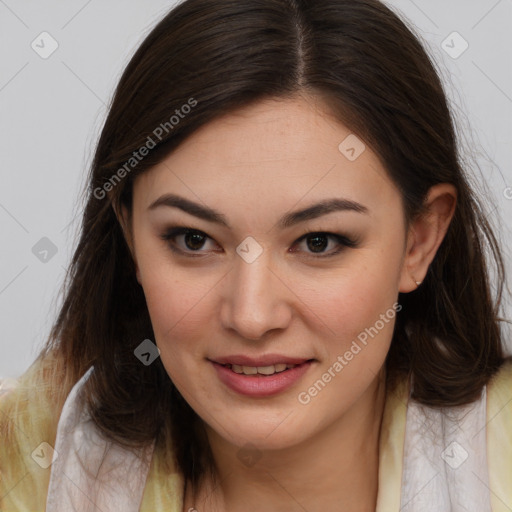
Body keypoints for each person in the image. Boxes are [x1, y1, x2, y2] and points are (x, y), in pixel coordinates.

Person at [1, 0, 511, 510]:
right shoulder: (24, 458)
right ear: (130, 234)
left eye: (319, 242)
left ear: (418, 241)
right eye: (193, 240)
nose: (251, 316)